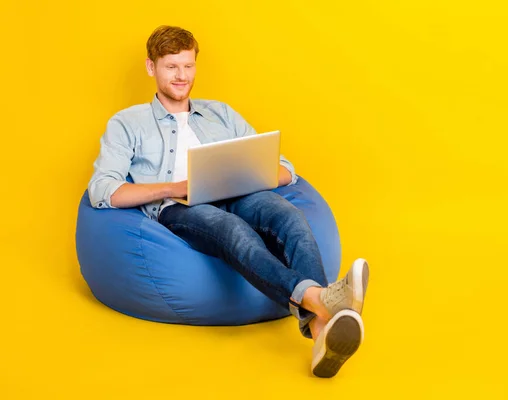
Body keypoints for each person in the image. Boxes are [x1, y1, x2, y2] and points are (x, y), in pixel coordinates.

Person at [88, 25, 370, 378]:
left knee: (291, 216)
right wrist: (173, 188)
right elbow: (103, 191)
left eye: (188, 66)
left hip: (238, 193)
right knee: (234, 231)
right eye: (171, 67)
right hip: (180, 207)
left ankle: (319, 332)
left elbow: (284, 170)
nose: (181, 76)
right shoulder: (127, 123)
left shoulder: (220, 113)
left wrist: (256, 174)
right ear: (151, 67)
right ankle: (322, 301)